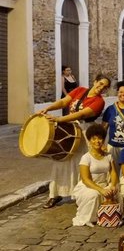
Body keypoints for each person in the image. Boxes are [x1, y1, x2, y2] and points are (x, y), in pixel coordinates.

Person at [38, 73, 111, 209]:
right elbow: (64, 102)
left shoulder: (99, 101)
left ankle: (82, 195)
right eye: (100, 84)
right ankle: (54, 194)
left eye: (105, 87)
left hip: (85, 131)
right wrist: (48, 108)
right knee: (61, 160)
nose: (101, 88)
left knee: (82, 163)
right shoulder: (80, 90)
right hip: (69, 127)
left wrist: (59, 119)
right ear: (94, 81)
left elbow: (82, 114)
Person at [72, 123, 120, 227]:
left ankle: (110, 216)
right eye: (93, 139)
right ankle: (89, 218)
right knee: (94, 195)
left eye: (99, 138)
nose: (97, 141)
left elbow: (113, 172)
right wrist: (101, 190)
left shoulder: (108, 156)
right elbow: (85, 180)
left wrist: (112, 185)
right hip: (89, 186)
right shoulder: (86, 158)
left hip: (104, 184)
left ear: (103, 139)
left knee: (116, 193)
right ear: (89, 140)